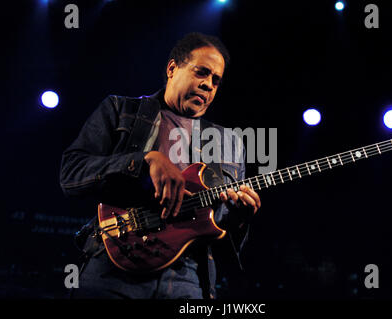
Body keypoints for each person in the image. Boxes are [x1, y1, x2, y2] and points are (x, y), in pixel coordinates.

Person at [60, 32, 261, 299]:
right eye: (202, 73)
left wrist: (237, 219)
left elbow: (220, 230)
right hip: (112, 266)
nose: (209, 85)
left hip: (188, 277)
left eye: (216, 80)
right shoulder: (120, 109)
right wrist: (145, 160)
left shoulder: (229, 143)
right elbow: (71, 174)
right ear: (172, 68)